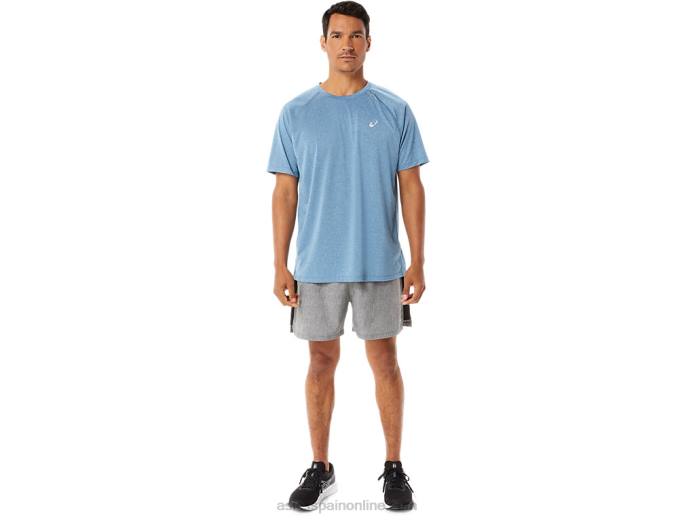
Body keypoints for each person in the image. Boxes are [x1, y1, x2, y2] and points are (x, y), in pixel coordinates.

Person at [266, 1, 428, 511]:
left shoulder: (395, 110)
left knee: (386, 361)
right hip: (317, 263)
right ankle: (321, 466)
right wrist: (279, 263)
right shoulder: (296, 113)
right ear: (323, 43)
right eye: (337, 35)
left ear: (368, 43)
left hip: (380, 261)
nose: (347, 45)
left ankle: (394, 467)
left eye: (356, 35)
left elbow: (411, 186)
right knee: (320, 362)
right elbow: (285, 192)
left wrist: (418, 260)